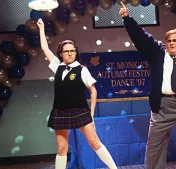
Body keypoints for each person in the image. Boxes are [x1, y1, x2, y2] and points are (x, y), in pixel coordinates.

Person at [119, 3, 176, 169]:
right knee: (154, 147)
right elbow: (141, 37)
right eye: (168, 40)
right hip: (163, 106)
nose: (171, 43)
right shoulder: (158, 54)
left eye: (175, 40)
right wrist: (127, 18)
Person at [36, 19, 117, 169]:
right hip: (60, 111)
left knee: (94, 143)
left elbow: (93, 91)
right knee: (61, 148)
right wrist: (41, 28)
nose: (70, 53)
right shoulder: (57, 67)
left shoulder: (82, 69)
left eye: (72, 51)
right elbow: (44, 47)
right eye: (66, 51)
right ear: (61, 53)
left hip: (80, 111)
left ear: (76, 52)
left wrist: (91, 115)